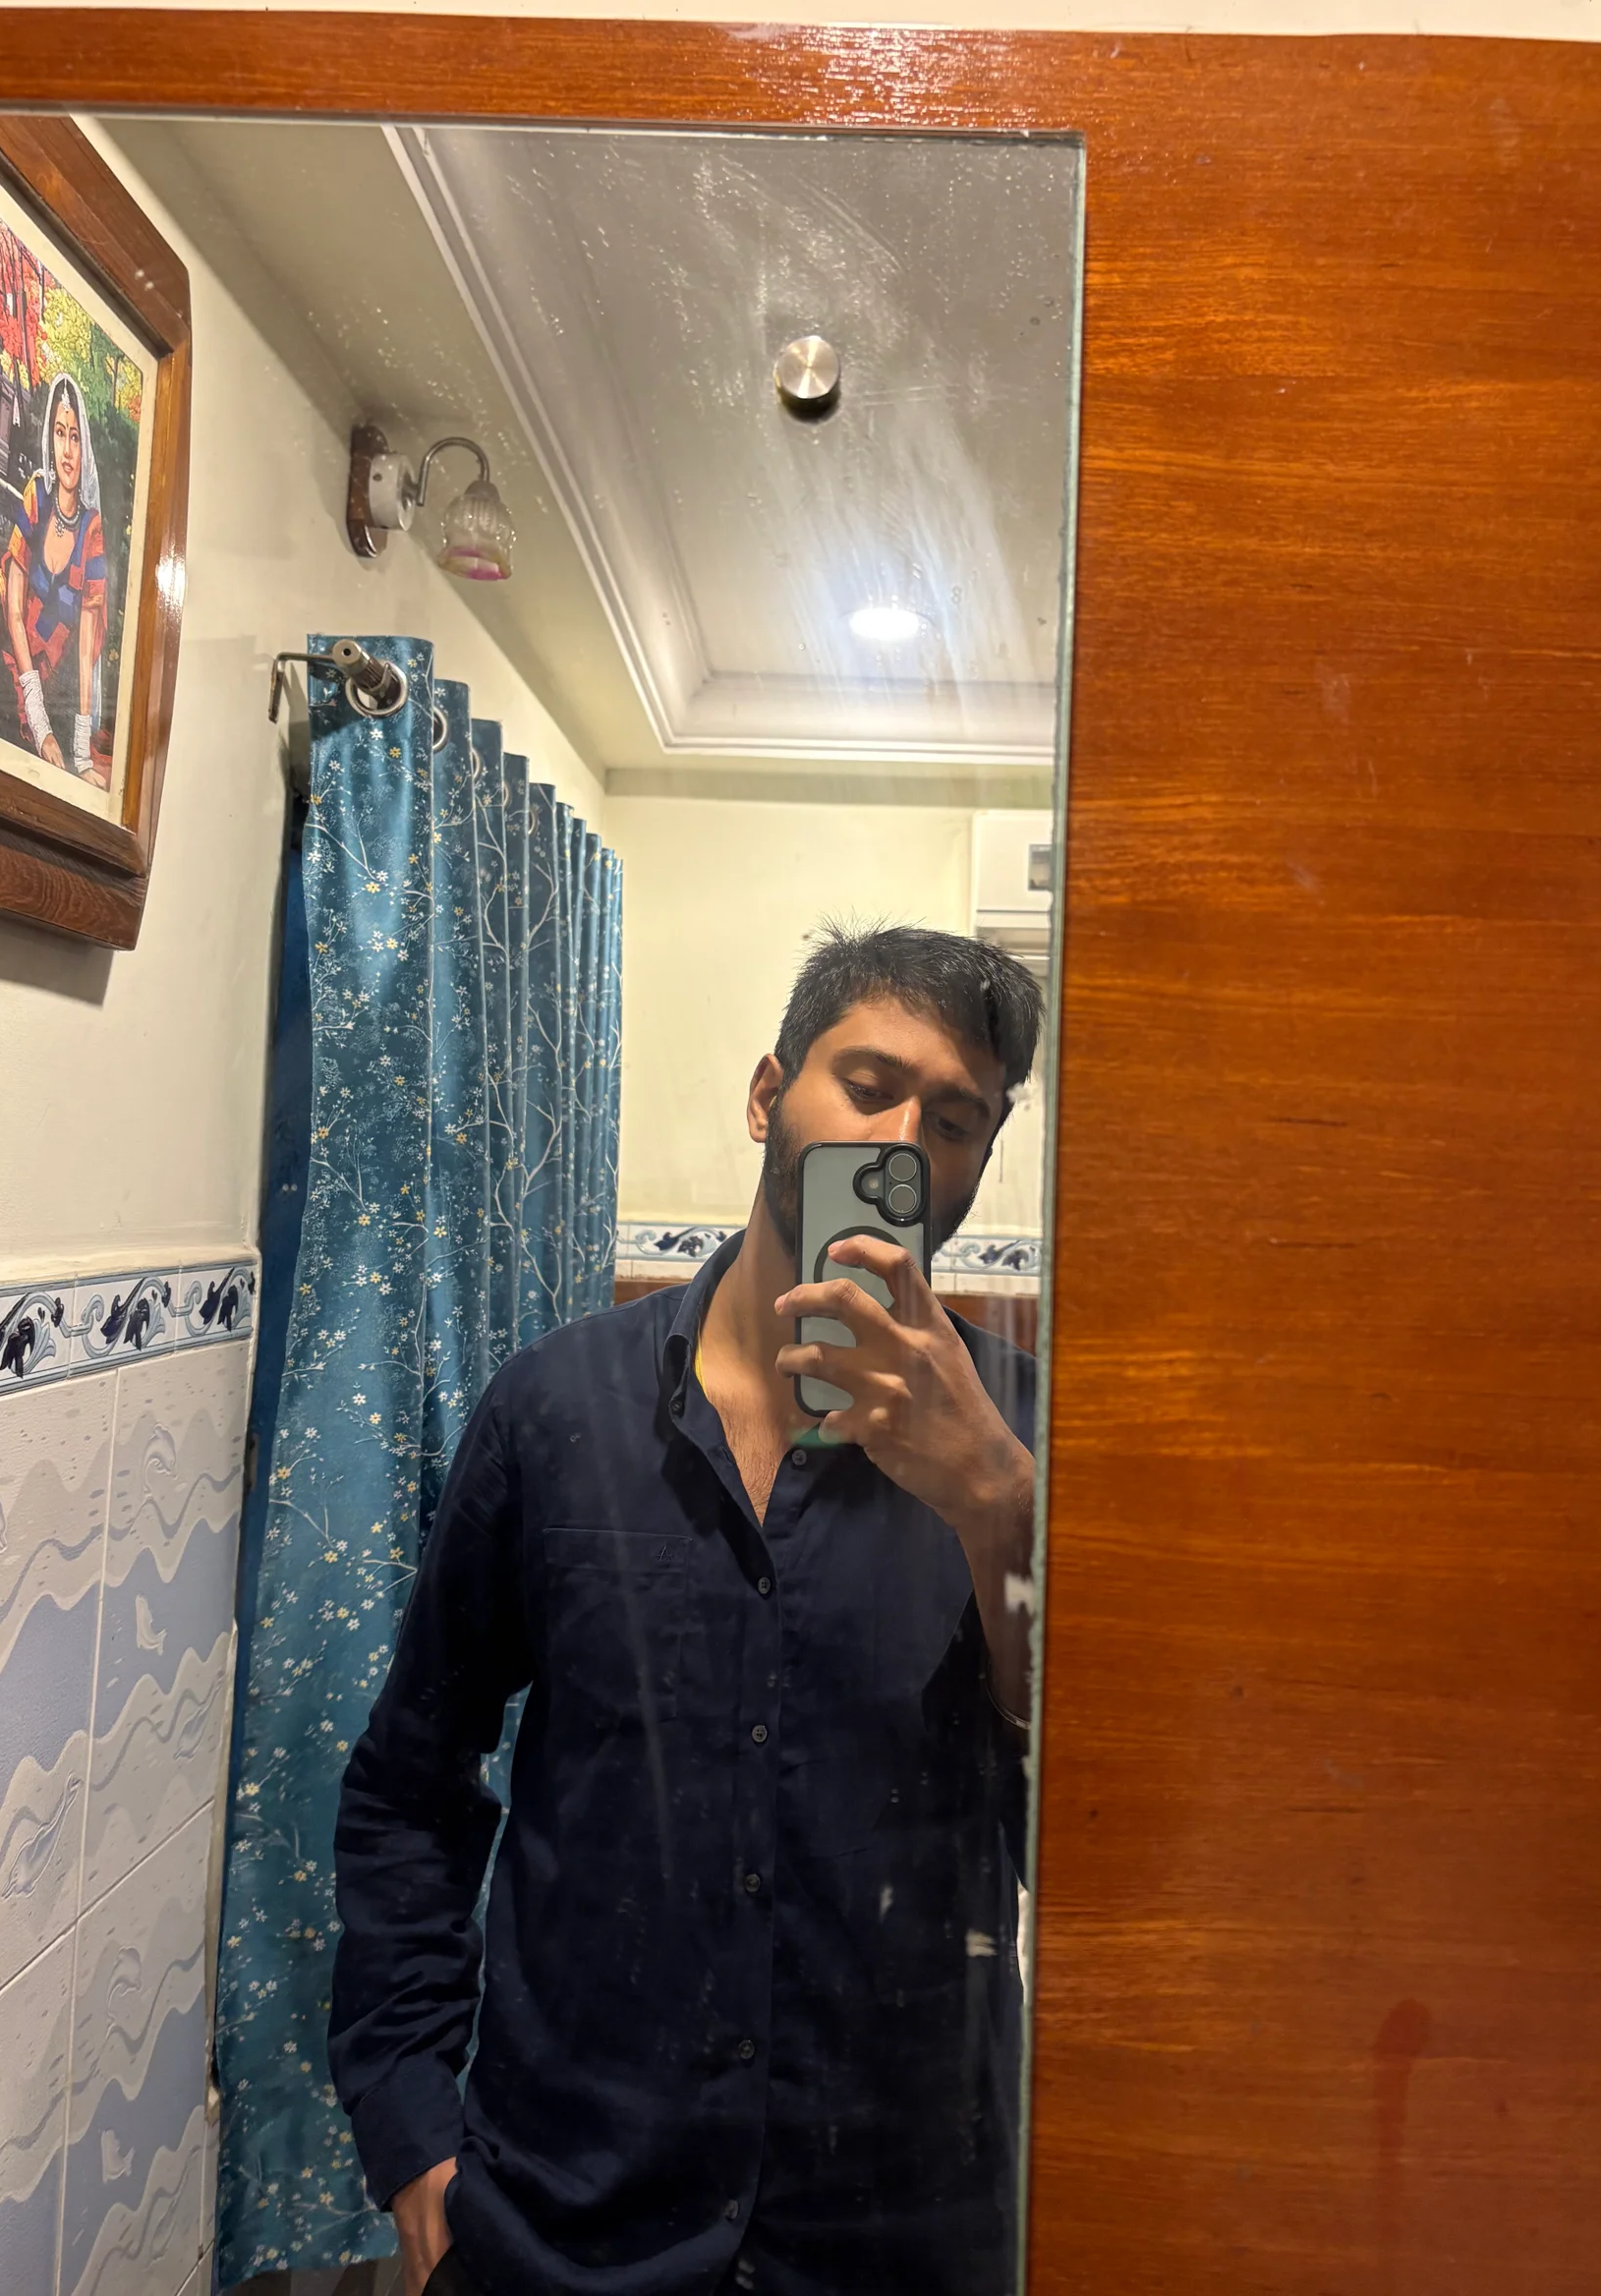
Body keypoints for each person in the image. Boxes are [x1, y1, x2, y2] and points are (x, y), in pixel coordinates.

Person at [331, 926, 1045, 2296]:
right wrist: (412, 2130)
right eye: (868, 1085)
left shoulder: (1029, 1441)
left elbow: (1089, 1841)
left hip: (901, 2234)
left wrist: (997, 1509)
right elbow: (412, 1784)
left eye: (955, 1120)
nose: (902, 1141)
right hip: (563, 2219)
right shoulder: (556, 1409)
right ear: (770, 1095)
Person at [2, 373, 108, 777]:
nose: (66, 450)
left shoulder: (91, 530)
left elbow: (85, 646)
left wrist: (82, 755)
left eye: (75, 437)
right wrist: (40, 724)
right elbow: (14, 611)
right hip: (7, 640)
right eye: (60, 433)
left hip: (44, 670)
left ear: (85, 447)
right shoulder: (38, 495)